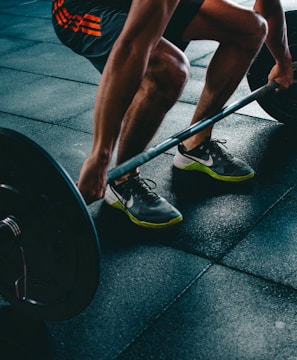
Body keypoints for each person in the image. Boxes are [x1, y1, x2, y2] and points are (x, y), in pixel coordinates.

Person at [52, 0, 293, 229]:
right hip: (83, 8)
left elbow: (268, 9)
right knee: (169, 69)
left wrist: (283, 62)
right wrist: (99, 156)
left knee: (251, 29)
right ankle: (123, 180)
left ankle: (195, 143)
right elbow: (132, 48)